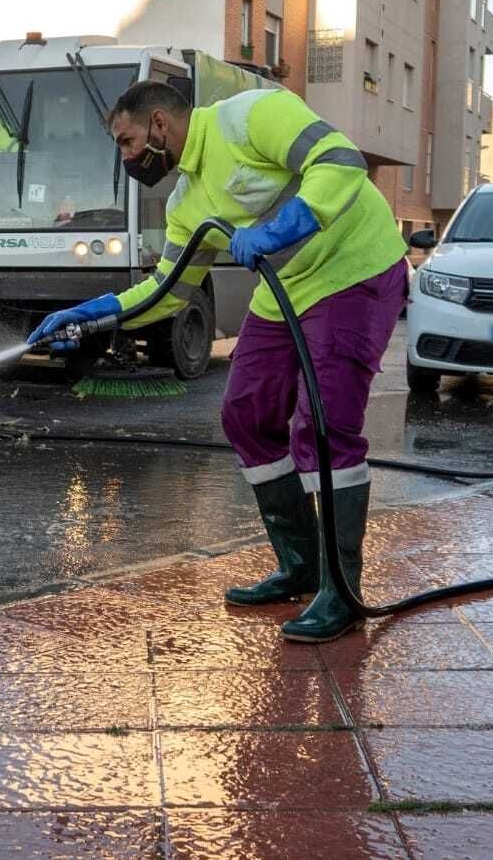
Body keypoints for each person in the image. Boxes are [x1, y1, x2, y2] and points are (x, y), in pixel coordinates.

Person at [26, 81, 408, 643]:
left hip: (356, 272)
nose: (126, 157)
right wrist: (92, 314)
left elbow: (341, 161)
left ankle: (342, 591)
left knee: (323, 426)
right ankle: (300, 565)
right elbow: (168, 293)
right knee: (245, 412)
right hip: (288, 291)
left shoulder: (253, 115)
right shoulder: (186, 204)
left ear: (159, 124)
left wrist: (278, 230)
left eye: (127, 141)